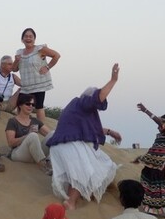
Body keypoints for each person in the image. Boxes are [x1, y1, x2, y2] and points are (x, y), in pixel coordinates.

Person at [46, 63, 122, 210]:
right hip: (68, 145)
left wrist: (110, 132)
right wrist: (113, 80)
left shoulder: (79, 109)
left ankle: (78, 196)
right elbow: (97, 98)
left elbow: (90, 128)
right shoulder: (83, 103)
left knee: (100, 163)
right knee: (83, 171)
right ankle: (71, 202)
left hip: (65, 145)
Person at [12, 28, 60, 122]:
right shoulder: (19, 52)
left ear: (34, 38)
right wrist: (16, 61)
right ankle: (22, 126)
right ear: (22, 39)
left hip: (39, 83)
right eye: (26, 36)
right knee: (21, 105)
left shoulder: (40, 49)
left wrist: (47, 67)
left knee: (39, 106)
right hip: (26, 85)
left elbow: (56, 55)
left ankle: (41, 129)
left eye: (31, 36)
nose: (28, 38)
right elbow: (14, 69)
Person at [5, 93, 53, 173]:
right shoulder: (13, 121)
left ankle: (52, 161)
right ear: (20, 105)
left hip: (35, 154)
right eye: (28, 104)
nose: (31, 106)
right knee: (33, 136)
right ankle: (44, 165)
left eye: (33, 104)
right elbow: (11, 143)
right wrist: (27, 135)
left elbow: (50, 135)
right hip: (19, 153)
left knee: (54, 134)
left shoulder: (35, 121)